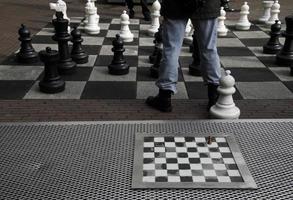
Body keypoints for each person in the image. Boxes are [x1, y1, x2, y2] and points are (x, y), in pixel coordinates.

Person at [146, 0, 221, 112]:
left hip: (175, 6)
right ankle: (214, 97)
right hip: (207, 5)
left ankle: (164, 97)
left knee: (171, 50)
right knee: (209, 49)